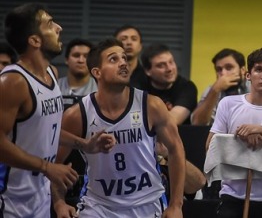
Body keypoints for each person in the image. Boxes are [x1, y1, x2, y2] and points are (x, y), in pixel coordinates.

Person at [0, 3, 115, 218]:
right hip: (9, 199)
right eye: (50, 24)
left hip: (39, 195)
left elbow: (44, 128)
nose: (59, 27)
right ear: (35, 40)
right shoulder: (12, 82)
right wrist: (47, 166)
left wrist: (85, 145)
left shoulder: (51, 73)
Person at [52, 38, 186, 218]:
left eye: (124, 58)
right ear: (97, 72)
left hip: (146, 203)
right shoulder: (77, 115)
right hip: (98, 206)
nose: (123, 63)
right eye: (113, 59)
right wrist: (59, 202)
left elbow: (175, 148)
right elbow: (54, 161)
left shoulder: (151, 105)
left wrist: (176, 205)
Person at [206, 47, 262, 218]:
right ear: (248, 75)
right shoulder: (228, 104)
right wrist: (241, 137)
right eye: (258, 69)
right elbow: (210, 146)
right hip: (232, 195)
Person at [141, 43, 198, 125]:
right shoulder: (138, 88)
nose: (169, 69)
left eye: (171, 62)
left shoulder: (187, 87)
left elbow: (172, 121)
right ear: (148, 71)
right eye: (161, 65)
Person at [191, 47, 248, 126]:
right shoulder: (212, 90)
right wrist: (215, 90)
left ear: (242, 70)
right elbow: (197, 122)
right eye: (219, 69)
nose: (223, 73)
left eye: (229, 68)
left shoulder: (254, 88)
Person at [58, 38, 97, 109]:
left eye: (86, 56)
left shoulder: (100, 88)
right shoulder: (55, 87)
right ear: (66, 60)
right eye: (76, 55)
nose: (81, 60)